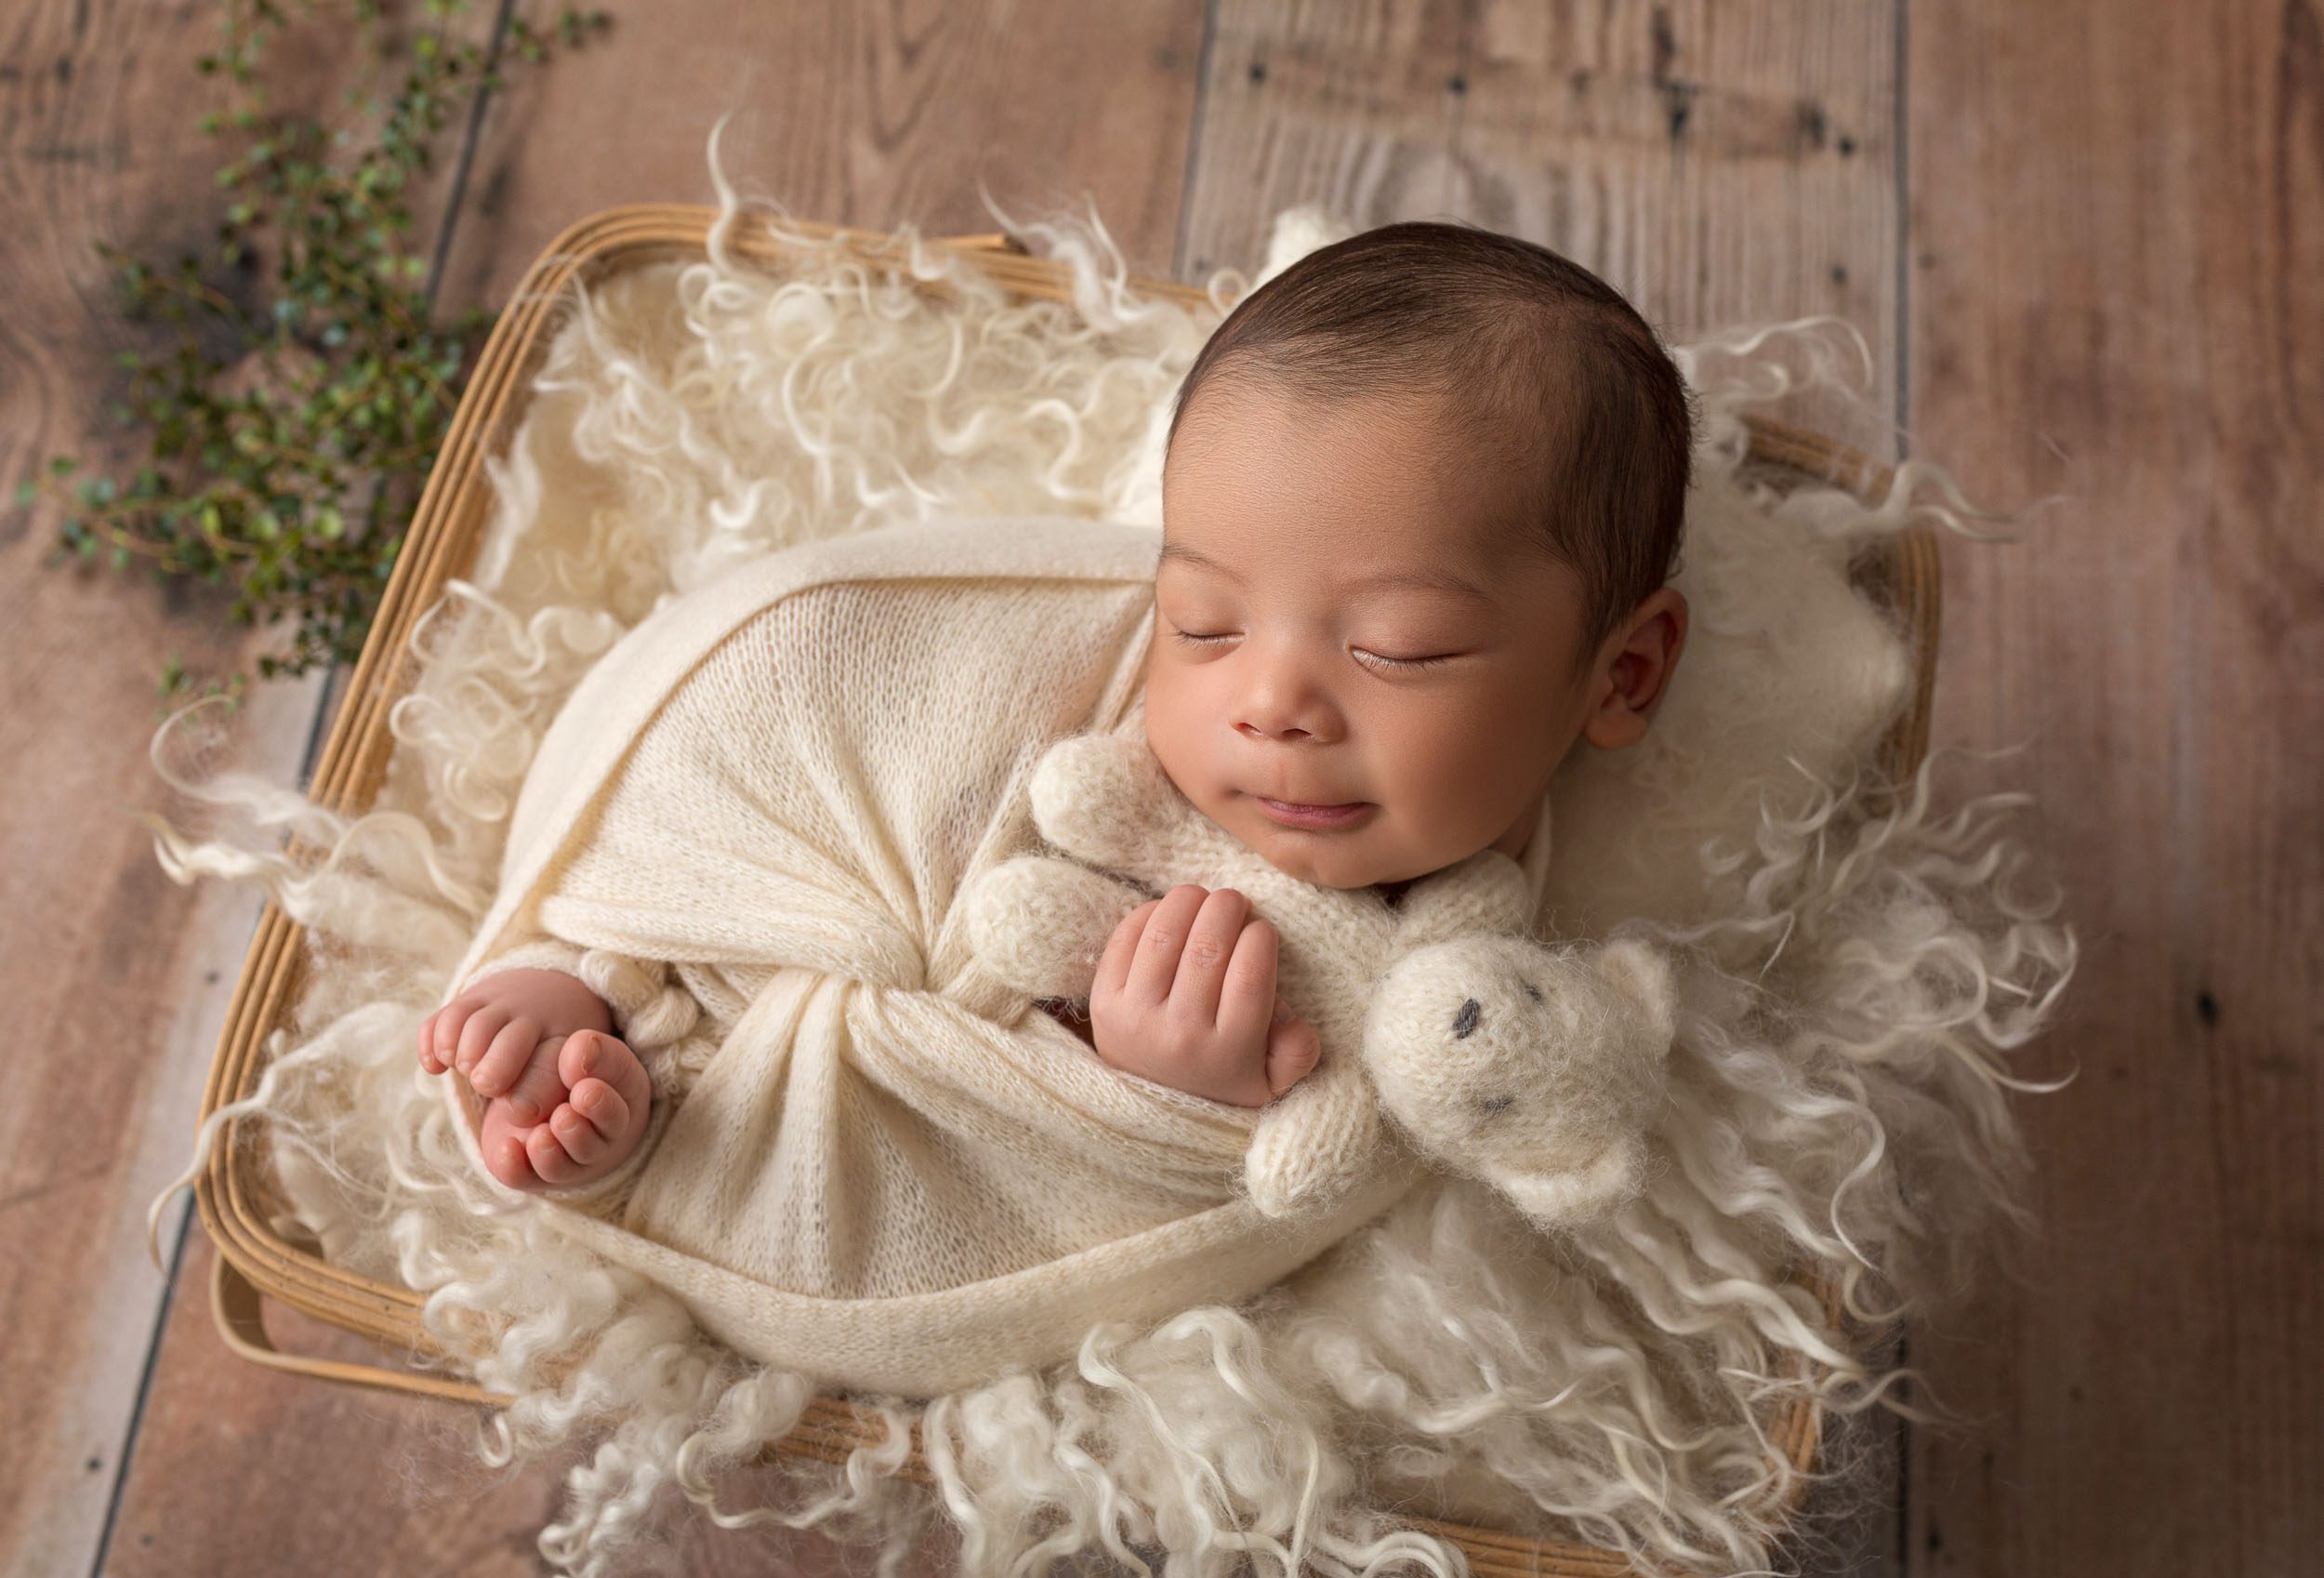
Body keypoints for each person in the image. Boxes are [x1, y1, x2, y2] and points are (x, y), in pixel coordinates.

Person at [418, 220, 1695, 1194]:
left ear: (1621, 673)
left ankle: (624, 1123)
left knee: (717, 1141)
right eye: (1203, 622)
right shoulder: (1094, 693)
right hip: (791, 807)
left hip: (879, 1095)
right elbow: (857, 712)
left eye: (1399, 647)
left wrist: (1171, 1093)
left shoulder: (1476, 989)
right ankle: (590, 976)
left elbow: (1064, 1187)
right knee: (718, 914)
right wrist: (593, 963)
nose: (1270, 700)